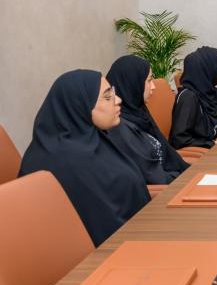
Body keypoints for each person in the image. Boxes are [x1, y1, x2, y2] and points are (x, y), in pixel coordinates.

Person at [18, 70, 150, 246]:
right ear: (79, 106)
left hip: (138, 234)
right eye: (107, 97)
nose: (118, 100)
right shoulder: (65, 162)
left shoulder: (92, 140)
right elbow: (102, 230)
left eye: (113, 93)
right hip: (114, 253)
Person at [106, 55, 190, 184]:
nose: (153, 86)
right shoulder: (119, 127)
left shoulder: (138, 112)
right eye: (149, 80)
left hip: (171, 178)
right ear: (133, 84)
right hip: (164, 189)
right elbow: (152, 177)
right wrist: (184, 178)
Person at [169, 46, 217, 150]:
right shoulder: (188, 97)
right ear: (209, 69)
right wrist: (212, 143)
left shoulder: (208, 92)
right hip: (199, 155)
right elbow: (179, 139)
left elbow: (213, 129)